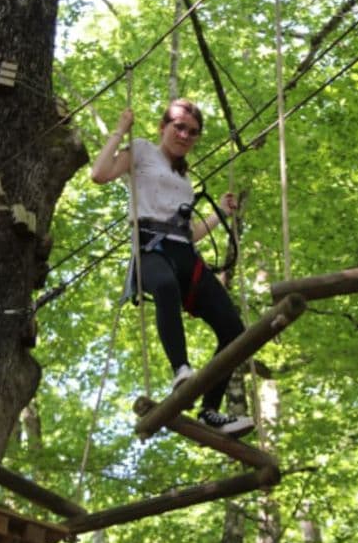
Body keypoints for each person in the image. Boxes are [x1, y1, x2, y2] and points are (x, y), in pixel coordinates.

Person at [91, 99, 253, 437]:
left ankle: (211, 410)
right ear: (163, 126)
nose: (184, 135)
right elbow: (99, 174)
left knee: (234, 330)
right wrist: (120, 129)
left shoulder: (184, 179)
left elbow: (189, 233)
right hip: (150, 249)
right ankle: (181, 369)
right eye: (178, 126)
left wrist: (218, 214)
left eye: (193, 132)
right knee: (164, 287)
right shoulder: (141, 150)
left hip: (185, 255)